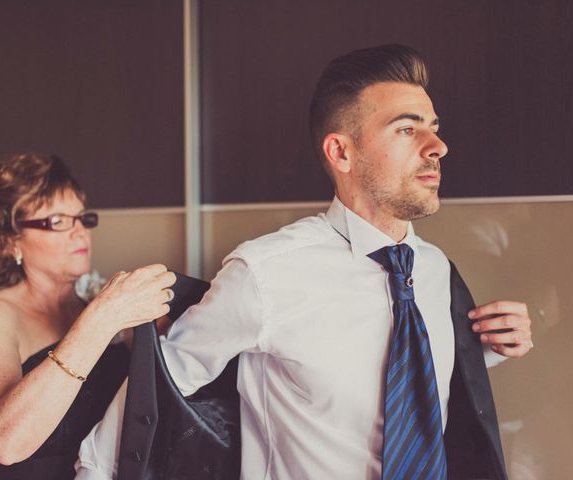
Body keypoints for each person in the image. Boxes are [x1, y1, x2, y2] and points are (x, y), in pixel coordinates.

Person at [76, 45, 533, 479]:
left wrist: (483, 350)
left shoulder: (434, 271)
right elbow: (153, 391)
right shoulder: (266, 273)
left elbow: (403, 381)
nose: (438, 146)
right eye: (407, 129)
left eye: (434, 127)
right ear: (341, 153)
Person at [0, 153, 176, 480]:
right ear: (9, 242)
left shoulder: (98, 301)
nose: (79, 232)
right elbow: (4, 443)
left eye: (81, 218)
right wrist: (102, 319)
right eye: (57, 221)